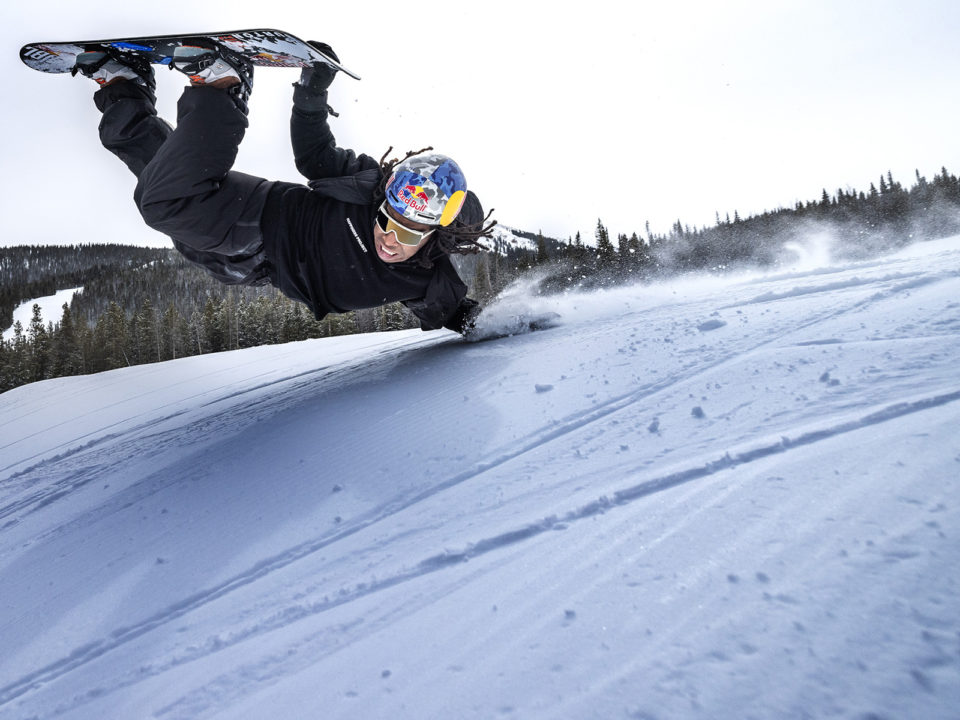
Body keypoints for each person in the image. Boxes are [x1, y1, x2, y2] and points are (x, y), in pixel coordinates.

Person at [73, 40, 492, 335]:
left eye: (404, 233)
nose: (387, 236)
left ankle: (123, 88)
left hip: (253, 267)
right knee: (165, 202)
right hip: (266, 219)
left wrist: (516, 325)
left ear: (438, 235)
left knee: (159, 177)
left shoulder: (431, 282)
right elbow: (314, 155)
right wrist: (311, 94)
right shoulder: (369, 184)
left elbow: (464, 318)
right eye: (386, 219)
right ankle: (223, 87)